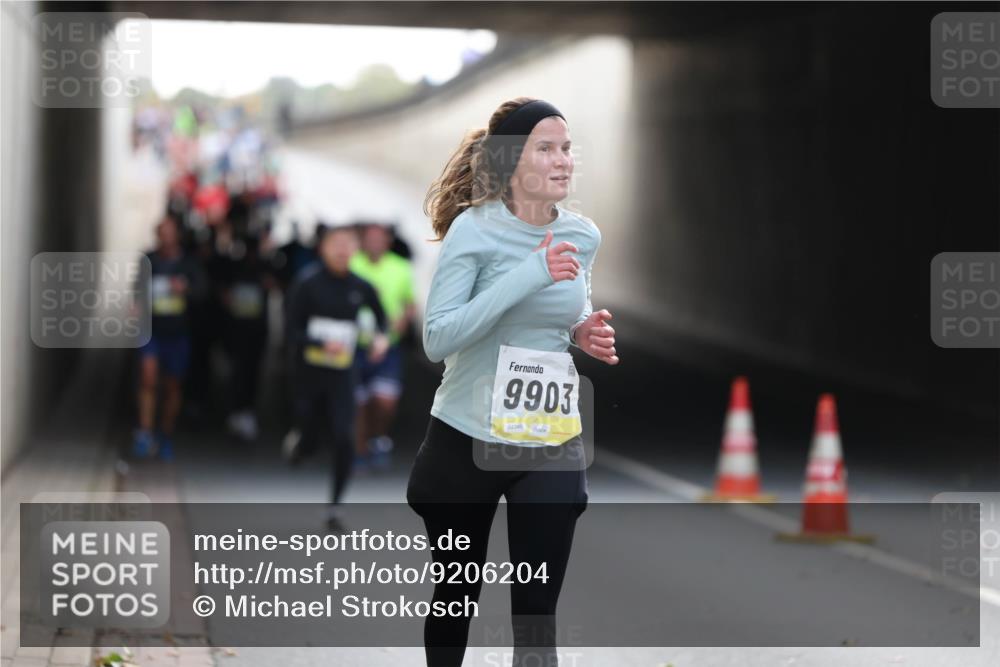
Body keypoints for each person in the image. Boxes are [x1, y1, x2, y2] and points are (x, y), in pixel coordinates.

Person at [406, 98, 618, 667]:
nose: (563, 160)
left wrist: (582, 330)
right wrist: (531, 273)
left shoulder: (582, 234)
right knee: (456, 597)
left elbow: (567, 307)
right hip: (466, 437)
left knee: (536, 610)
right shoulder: (473, 232)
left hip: (548, 437)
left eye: (567, 148)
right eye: (546, 148)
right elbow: (438, 337)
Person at [284, 224, 390, 531]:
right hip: (308, 373)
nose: (342, 250)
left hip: (342, 373)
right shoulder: (307, 284)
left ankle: (335, 506)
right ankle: (300, 442)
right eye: (336, 244)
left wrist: (381, 339)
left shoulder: (361, 285)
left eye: (348, 245)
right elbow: (291, 331)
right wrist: (318, 344)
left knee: (344, 436)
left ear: (355, 250)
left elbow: (380, 317)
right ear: (323, 248)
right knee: (310, 436)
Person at [134, 215, 207, 460]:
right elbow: (138, 289)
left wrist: (185, 288)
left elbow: (203, 292)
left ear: (177, 235)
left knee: (172, 386)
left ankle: (165, 433)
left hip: (178, 334)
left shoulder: (189, 263)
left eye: (170, 231)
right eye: (161, 232)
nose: (165, 236)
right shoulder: (149, 260)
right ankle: (145, 432)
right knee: (148, 378)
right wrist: (136, 306)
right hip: (151, 332)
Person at [349, 222, 416, 470]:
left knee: (384, 403)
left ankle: (378, 437)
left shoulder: (400, 268)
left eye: (380, 239)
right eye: (370, 238)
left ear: (387, 242)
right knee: (358, 403)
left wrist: (388, 337)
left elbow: (409, 305)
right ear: (362, 241)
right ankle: (359, 451)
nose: (375, 243)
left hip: (388, 346)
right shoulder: (352, 263)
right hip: (356, 345)